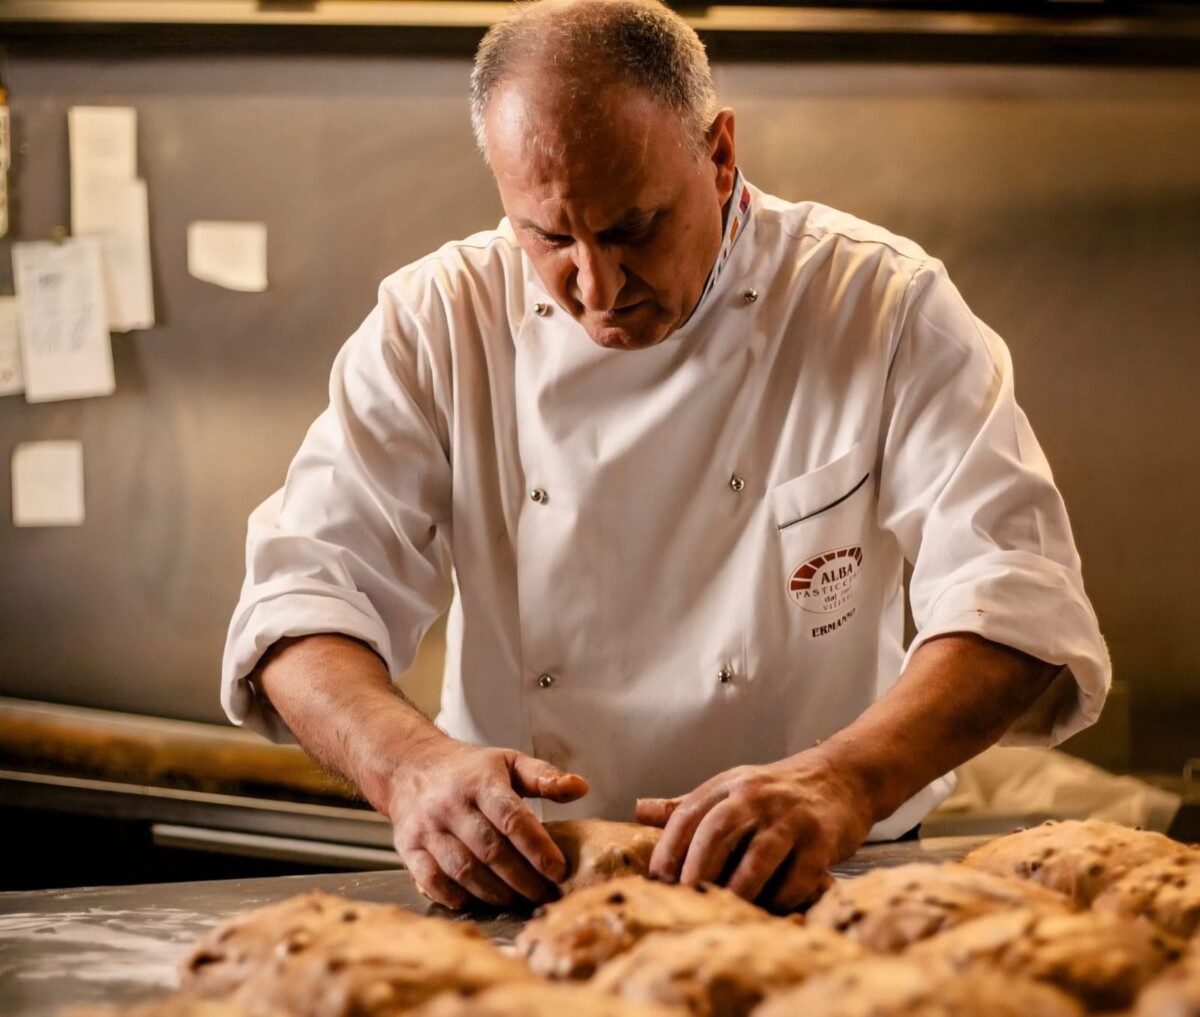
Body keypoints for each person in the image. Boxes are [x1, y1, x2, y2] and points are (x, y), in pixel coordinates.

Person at [221, 0, 1110, 913]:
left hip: (830, 876)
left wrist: (843, 780)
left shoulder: (880, 304)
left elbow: (1017, 597)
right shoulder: (436, 321)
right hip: (527, 881)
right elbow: (300, 601)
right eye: (551, 238)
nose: (596, 289)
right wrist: (410, 771)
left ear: (720, 154)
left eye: (632, 228)